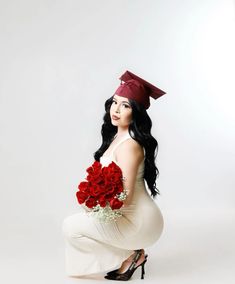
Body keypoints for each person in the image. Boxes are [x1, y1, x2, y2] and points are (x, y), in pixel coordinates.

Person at [62, 70, 166, 281]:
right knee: (76, 223)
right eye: (114, 102)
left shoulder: (130, 147)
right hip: (126, 215)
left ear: (135, 112)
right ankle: (132, 254)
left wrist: (94, 203)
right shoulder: (117, 138)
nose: (116, 110)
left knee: (71, 227)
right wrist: (93, 196)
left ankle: (133, 253)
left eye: (125, 105)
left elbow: (124, 196)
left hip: (139, 222)